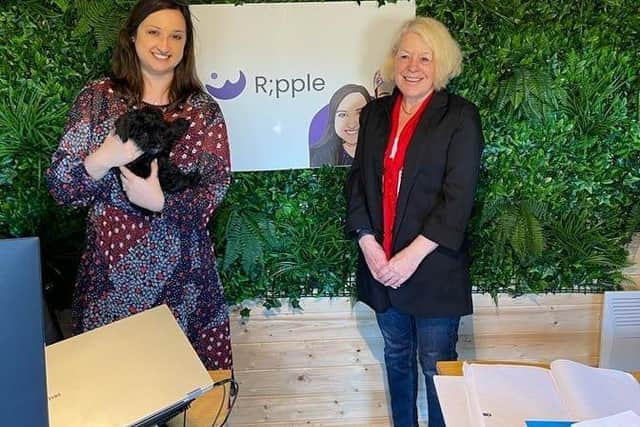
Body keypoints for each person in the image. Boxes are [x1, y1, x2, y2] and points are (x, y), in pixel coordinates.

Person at [46, 0, 232, 370]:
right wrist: (104, 157)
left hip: (185, 286)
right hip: (111, 283)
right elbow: (62, 189)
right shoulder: (98, 98)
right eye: (154, 31)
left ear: (185, 46)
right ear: (132, 37)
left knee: (191, 406)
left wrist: (161, 202)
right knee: (114, 398)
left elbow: (215, 188)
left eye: (176, 35)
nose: (165, 43)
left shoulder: (203, 111)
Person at [346, 17, 484, 427]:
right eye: (404, 55)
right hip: (381, 267)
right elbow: (357, 186)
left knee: (437, 365)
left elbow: (457, 200)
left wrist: (408, 259)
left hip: (433, 270)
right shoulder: (373, 115)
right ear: (393, 61)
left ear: (441, 65)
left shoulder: (460, 117)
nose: (412, 65)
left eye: (424, 57)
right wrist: (369, 246)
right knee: (397, 359)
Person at [309, 84, 372, 167]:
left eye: (360, 113)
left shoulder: (382, 151)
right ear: (333, 119)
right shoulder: (319, 155)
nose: (352, 124)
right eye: (343, 115)